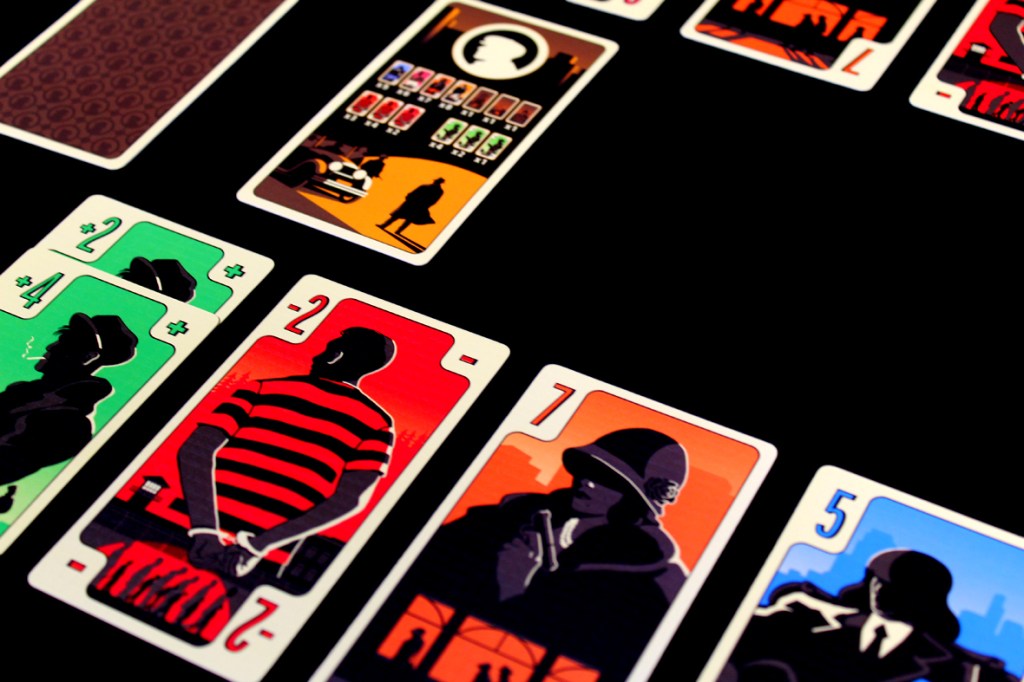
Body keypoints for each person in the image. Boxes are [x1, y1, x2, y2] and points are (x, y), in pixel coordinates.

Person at [417, 428, 689, 676]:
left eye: (607, 479)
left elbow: (604, 656)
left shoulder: (659, 583)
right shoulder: (507, 515)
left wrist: (515, 585)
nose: (586, 482)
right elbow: (424, 566)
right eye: (588, 469)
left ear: (637, 501)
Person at [177, 326, 396, 579]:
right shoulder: (377, 423)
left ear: (336, 355)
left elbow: (195, 451)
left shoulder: (260, 390)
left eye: (329, 347)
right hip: (263, 557)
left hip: (185, 526)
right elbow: (349, 499)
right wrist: (258, 546)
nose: (317, 355)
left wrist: (205, 529)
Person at [721, 549, 1019, 681]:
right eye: (877, 581)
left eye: (898, 587)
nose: (881, 592)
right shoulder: (811, 617)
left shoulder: (953, 664)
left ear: (925, 599)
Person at [0, 313, 138, 485]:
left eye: (64, 341)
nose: (51, 346)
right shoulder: (22, 393)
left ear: (88, 357)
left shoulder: (70, 424)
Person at [377, 178, 445, 235]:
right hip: (419, 204)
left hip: (414, 203)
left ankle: (385, 226)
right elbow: (433, 201)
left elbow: (414, 193)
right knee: (408, 218)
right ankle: (397, 230)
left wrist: (409, 197)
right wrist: (426, 205)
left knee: (399, 215)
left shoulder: (426, 187)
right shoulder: (438, 191)